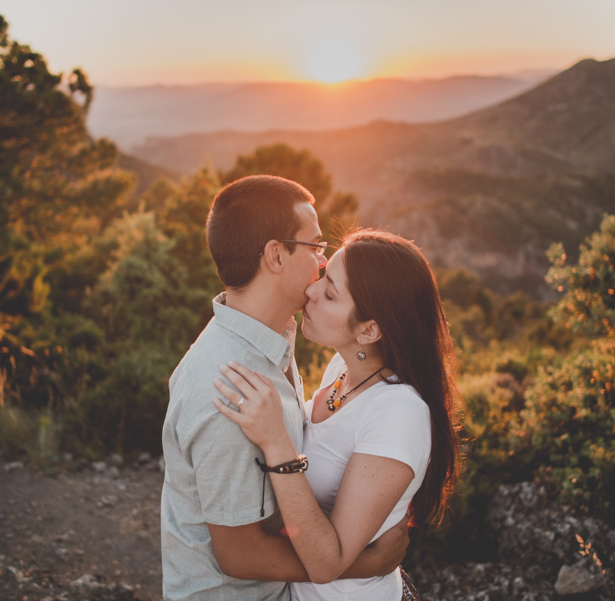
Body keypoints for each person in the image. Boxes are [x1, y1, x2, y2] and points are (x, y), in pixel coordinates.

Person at [160, 176, 407, 601]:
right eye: (315, 247)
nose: (322, 263)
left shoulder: (269, 340)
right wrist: (366, 562)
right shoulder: (229, 384)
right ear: (276, 255)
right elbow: (239, 553)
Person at [214, 228, 460, 600]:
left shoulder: (398, 414)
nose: (311, 291)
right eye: (324, 275)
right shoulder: (341, 370)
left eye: (330, 293)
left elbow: (327, 563)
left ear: (369, 330)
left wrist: (277, 441)